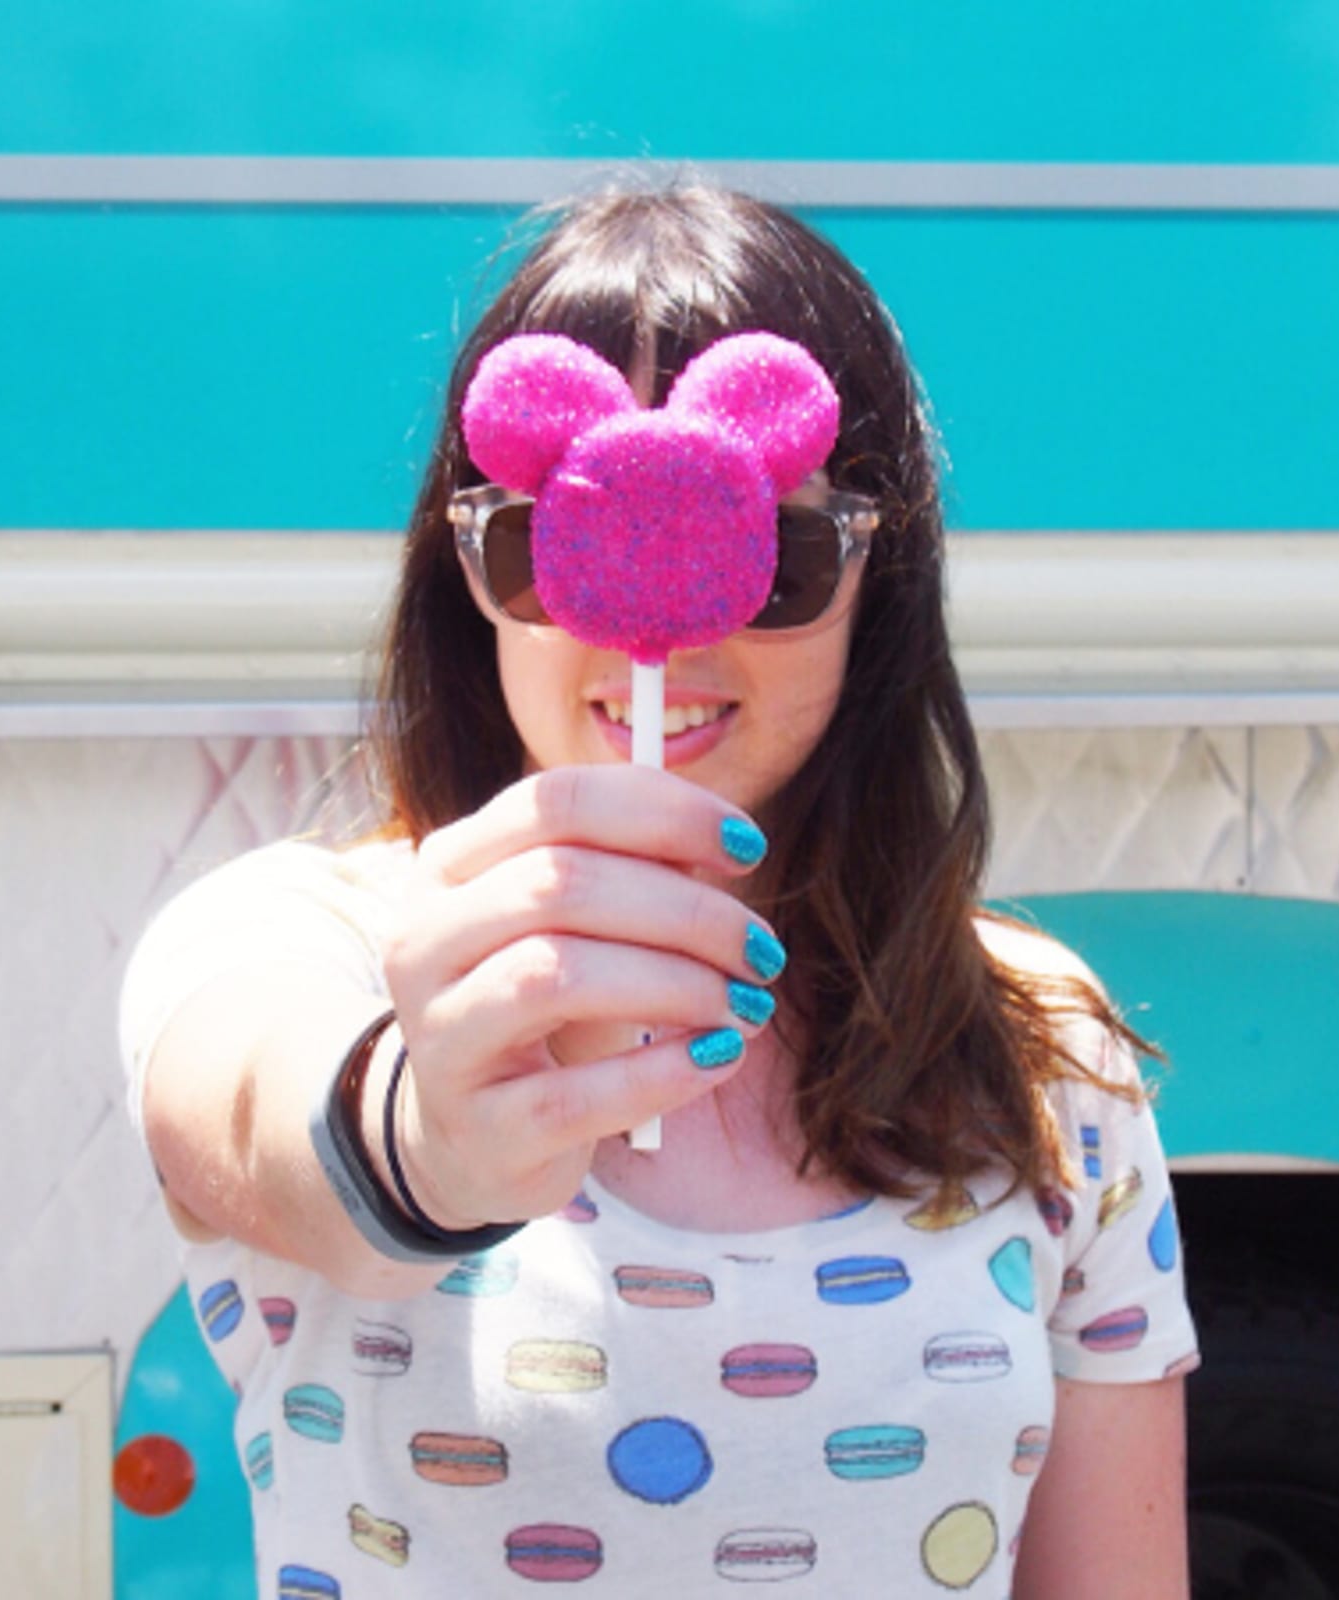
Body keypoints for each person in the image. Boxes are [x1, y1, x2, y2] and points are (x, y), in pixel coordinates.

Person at [120, 181, 1199, 1598]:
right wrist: (423, 1139)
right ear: (468, 570)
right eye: (552, 540)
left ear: (875, 582)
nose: (663, 623)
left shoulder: (1038, 1052)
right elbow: (251, 1112)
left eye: (773, 551)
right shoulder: (309, 939)